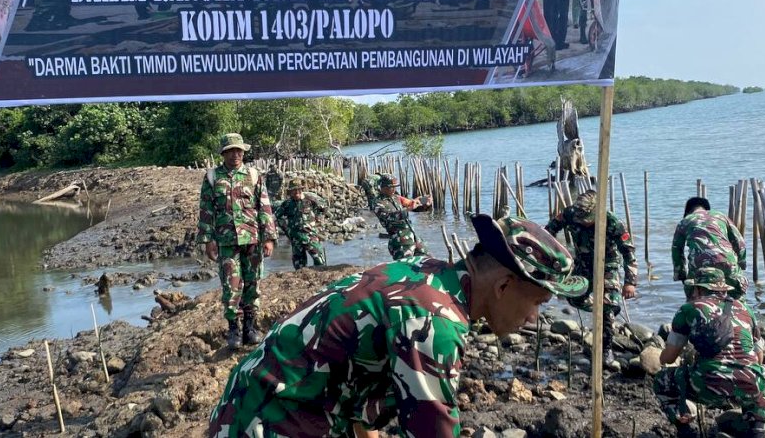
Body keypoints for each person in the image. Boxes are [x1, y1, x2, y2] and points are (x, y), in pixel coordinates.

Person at [208, 215, 587, 437]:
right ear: (503, 286)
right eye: (538, 302)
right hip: (270, 420)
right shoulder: (435, 321)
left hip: (257, 400)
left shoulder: (427, 273)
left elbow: (366, 387)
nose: (534, 319)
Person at [652, 267, 765, 438]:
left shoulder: (689, 309)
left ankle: (684, 429)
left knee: (662, 380)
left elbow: (669, 358)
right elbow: (759, 359)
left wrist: (661, 355)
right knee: (761, 375)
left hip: (708, 385)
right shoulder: (746, 310)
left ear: (698, 288)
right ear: (723, 288)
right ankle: (757, 430)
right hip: (748, 387)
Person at [196, 133, 277, 349]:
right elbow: (206, 210)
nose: (236, 154)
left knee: (252, 284)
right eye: (231, 151)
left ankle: (250, 327)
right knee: (231, 286)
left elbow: (264, 207)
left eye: (239, 150)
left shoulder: (253, 175)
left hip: (252, 240)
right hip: (226, 242)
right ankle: (234, 329)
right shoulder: (213, 177)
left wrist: (269, 237)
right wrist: (207, 239)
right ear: (224, 153)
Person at [545, 190, 637, 366]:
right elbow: (548, 232)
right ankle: (604, 310)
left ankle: (606, 349)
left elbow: (629, 252)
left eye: (587, 219)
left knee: (607, 308)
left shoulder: (612, 222)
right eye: (581, 219)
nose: (583, 222)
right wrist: (552, 258)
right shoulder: (569, 214)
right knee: (574, 297)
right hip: (583, 263)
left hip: (607, 266)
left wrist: (630, 283)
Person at [672, 197, 748, 299]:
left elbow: (676, 250)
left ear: (687, 211)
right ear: (707, 208)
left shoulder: (685, 221)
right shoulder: (721, 216)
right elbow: (739, 242)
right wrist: (741, 265)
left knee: (697, 301)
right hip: (727, 262)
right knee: (737, 299)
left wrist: (681, 275)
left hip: (699, 265)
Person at [373, 174, 430, 260]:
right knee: (404, 265)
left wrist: (425, 202)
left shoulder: (396, 197)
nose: (394, 189)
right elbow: (388, 217)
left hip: (413, 237)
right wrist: (407, 210)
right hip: (399, 240)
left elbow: (412, 204)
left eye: (395, 187)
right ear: (383, 187)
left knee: (425, 261)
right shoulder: (378, 203)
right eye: (391, 187)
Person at [274, 178, 328, 270]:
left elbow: (324, 207)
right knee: (299, 267)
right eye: (294, 191)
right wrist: (287, 230)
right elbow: (277, 216)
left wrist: (318, 220)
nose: (296, 192)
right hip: (295, 238)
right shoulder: (287, 204)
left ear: (301, 189)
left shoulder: (310, 199)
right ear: (290, 192)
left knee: (320, 262)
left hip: (310, 236)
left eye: (298, 190)